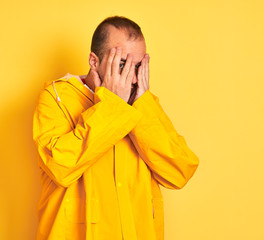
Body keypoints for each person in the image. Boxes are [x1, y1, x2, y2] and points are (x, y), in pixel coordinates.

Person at [33, 16, 199, 240]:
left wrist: (140, 105)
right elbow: (61, 167)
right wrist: (112, 106)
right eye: (122, 64)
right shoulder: (56, 97)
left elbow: (180, 171)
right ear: (94, 61)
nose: (132, 78)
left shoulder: (143, 103)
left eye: (138, 66)